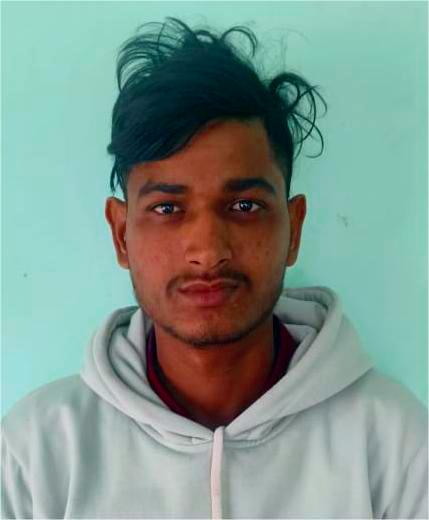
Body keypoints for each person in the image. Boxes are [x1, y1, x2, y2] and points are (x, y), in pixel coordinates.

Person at [1, 16, 427, 520]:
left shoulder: (396, 445)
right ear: (121, 234)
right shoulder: (35, 454)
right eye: (167, 208)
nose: (207, 252)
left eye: (244, 206)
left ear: (293, 228)